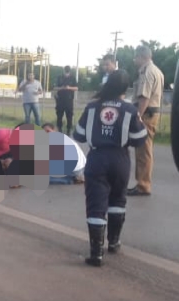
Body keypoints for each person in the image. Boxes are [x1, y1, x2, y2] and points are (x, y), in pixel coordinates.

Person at [73, 69, 148, 266]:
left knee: (96, 204)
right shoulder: (130, 109)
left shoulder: (91, 107)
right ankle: (114, 243)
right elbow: (140, 139)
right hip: (120, 159)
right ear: (125, 88)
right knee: (118, 200)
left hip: (97, 158)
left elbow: (79, 134)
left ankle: (96, 254)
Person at [127, 45, 165, 197]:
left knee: (143, 151)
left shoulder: (147, 71)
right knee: (144, 149)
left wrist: (138, 116)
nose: (134, 60)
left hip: (146, 114)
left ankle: (143, 185)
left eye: (135, 57)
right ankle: (142, 183)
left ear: (142, 57)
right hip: (152, 113)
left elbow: (144, 97)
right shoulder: (157, 71)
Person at [53, 66, 78, 136]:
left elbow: (76, 88)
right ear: (64, 70)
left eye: (68, 70)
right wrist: (62, 88)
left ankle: (68, 130)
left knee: (69, 116)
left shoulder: (73, 78)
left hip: (69, 100)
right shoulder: (59, 77)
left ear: (69, 71)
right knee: (59, 116)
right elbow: (55, 88)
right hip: (60, 100)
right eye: (66, 70)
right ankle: (59, 129)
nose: (67, 72)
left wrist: (69, 87)